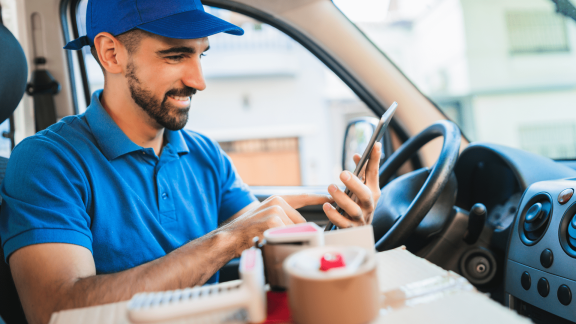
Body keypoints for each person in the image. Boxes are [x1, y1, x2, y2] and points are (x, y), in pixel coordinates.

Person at [0, 0, 382, 323]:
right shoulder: (47, 161)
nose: (199, 80)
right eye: (176, 55)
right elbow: (56, 311)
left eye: (201, 54)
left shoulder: (204, 155)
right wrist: (225, 240)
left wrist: (349, 230)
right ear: (111, 53)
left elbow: (268, 245)